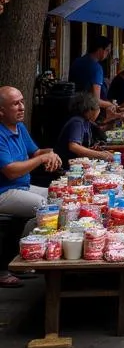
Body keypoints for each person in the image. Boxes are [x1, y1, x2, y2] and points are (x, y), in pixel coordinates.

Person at [0, 87, 62, 288]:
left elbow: (35, 152)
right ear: (1, 111)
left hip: (21, 186)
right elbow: (10, 171)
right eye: (15, 104)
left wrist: (50, 153)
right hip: (4, 191)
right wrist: (42, 158)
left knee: (59, 196)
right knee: (45, 207)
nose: (22, 107)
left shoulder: (19, 127)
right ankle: (10, 265)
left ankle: (24, 255)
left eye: (22, 102)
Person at [55, 92, 114, 166]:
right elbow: (73, 146)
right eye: (98, 108)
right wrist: (100, 155)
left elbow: (101, 129)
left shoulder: (86, 121)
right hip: (66, 164)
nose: (99, 111)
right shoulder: (77, 122)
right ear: (89, 110)